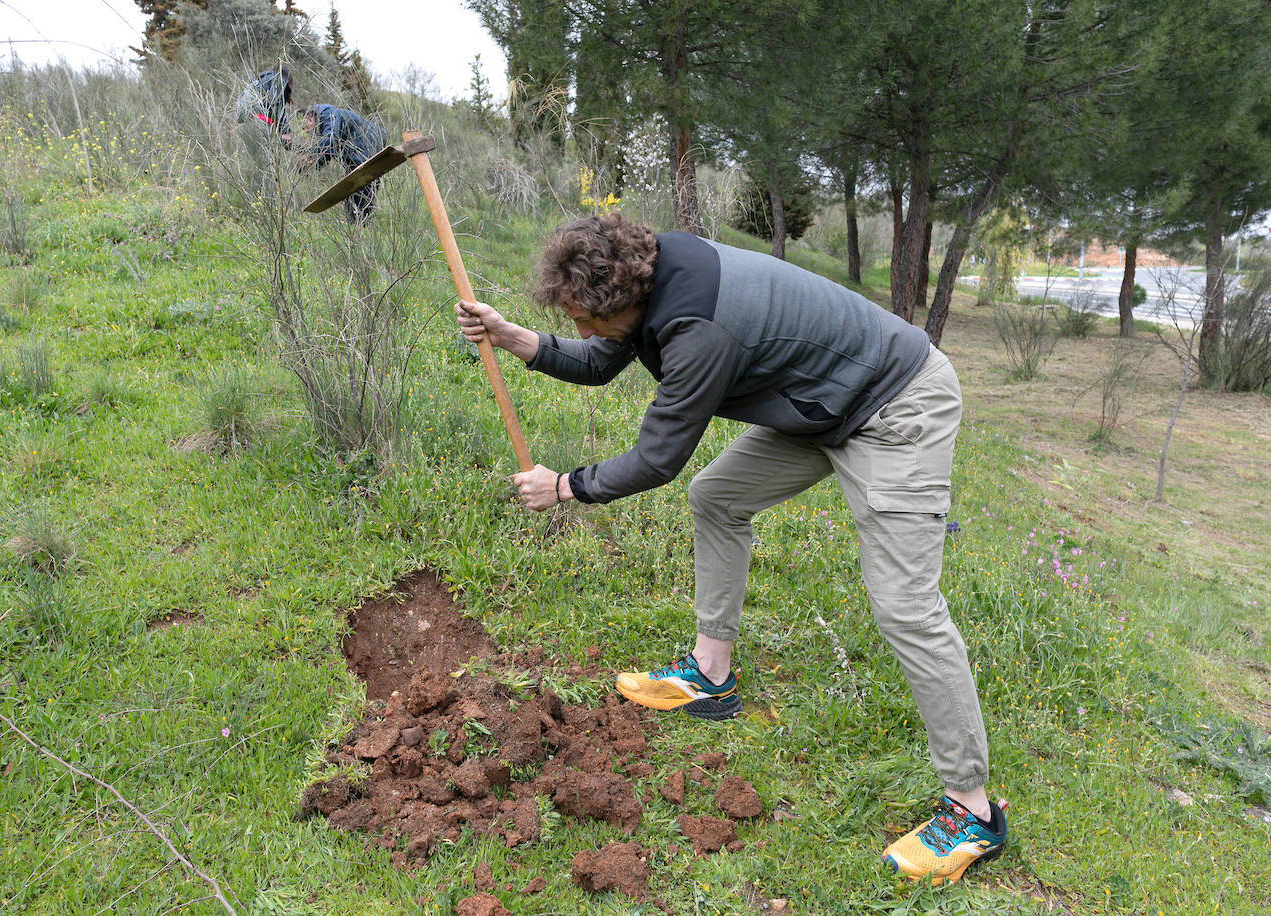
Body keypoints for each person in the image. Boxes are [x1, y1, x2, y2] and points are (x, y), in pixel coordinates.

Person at [455, 211, 1007, 884]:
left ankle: (972, 810)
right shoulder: (654, 276)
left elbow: (657, 458)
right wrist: (519, 340)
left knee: (906, 605)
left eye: (585, 317)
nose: (581, 330)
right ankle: (710, 677)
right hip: (820, 404)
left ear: (626, 295)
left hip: (896, 407)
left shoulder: (696, 332)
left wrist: (566, 486)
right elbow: (604, 358)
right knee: (718, 496)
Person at [298, 104, 388, 222]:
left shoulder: (328, 114)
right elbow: (329, 151)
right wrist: (313, 166)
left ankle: (360, 227)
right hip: (361, 156)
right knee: (353, 197)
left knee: (360, 196)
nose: (306, 131)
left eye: (305, 126)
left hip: (366, 152)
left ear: (310, 116)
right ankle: (358, 228)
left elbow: (330, 138)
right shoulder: (329, 123)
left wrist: (310, 154)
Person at [235, 66, 295, 192]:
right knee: (270, 167)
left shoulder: (257, 81)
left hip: (246, 126)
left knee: (257, 166)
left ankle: (254, 198)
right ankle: (270, 201)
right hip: (261, 124)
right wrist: (285, 132)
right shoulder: (278, 79)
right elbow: (276, 104)